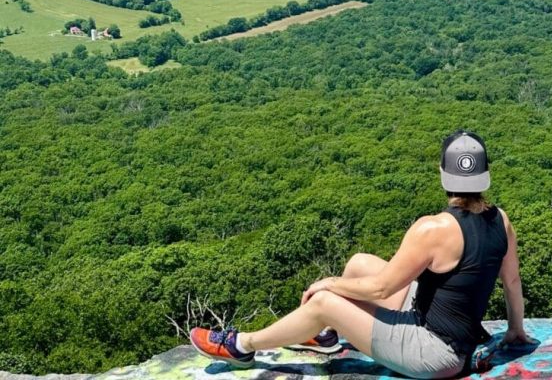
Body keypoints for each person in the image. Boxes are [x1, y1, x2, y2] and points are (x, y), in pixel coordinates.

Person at [190, 130, 530, 378]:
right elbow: (512, 280)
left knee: (324, 301)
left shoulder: (433, 228)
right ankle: (324, 337)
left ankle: (242, 346)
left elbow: (381, 290)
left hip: (434, 353)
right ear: (483, 176)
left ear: (444, 174)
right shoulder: (500, 219)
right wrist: (516, 329)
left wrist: (328, 284)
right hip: (453, 331)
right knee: (359, 263)